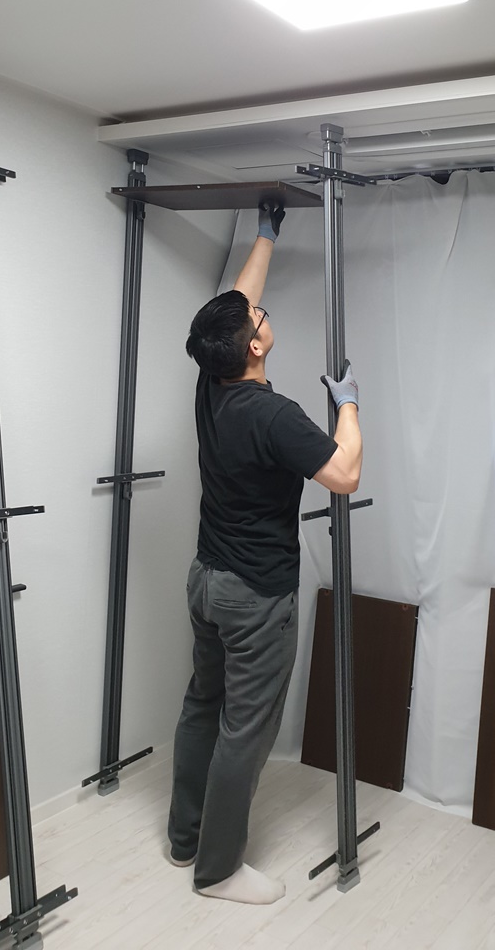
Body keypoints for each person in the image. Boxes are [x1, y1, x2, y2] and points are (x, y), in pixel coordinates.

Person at [167, 200, 363, 905]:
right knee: (244, 731)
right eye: (259, 318)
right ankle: (217, 870)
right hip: (255, 596)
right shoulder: (275, 416)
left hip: (208, 582)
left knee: (203, 706)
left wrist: (264, 237)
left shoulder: (210, 380)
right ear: (253, 347)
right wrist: (349, 404)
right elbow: (344, 474)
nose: (260, 313)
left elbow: (233, 307)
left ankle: (185, 837)